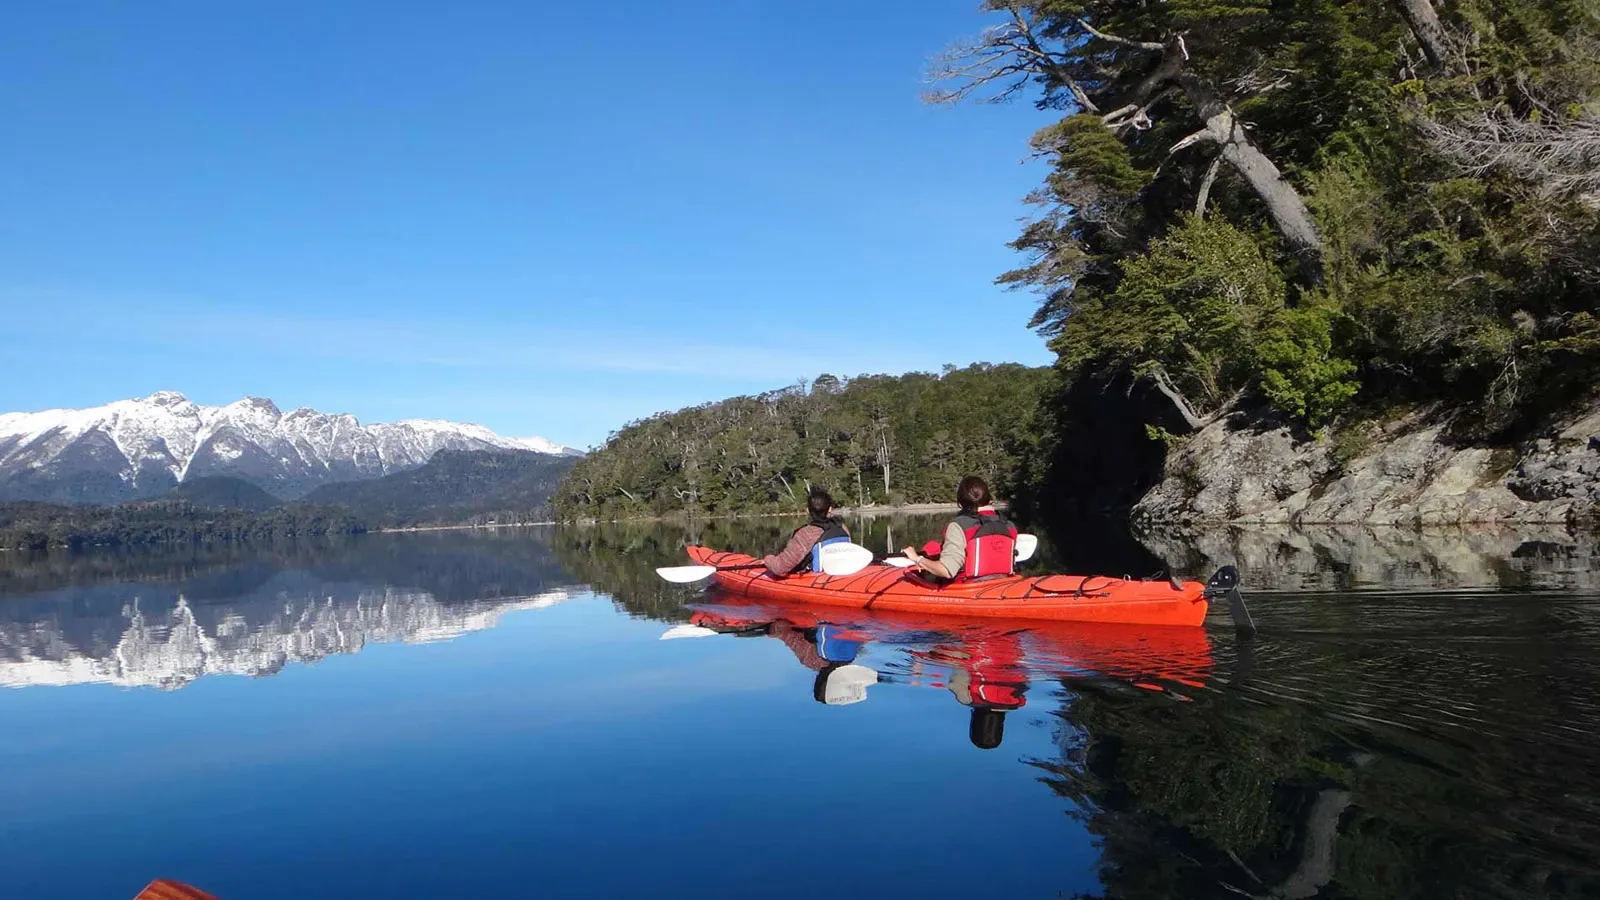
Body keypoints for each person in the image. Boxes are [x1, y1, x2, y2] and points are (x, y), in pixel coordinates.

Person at [901, 475, 1018, 582]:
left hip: (968, 589)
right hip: (1002, 585)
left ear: (961, 504)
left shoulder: (958, 526)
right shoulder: (1009, 526)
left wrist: (916, 558)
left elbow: (947, 570)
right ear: (989, 499)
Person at [761, 488, 851, 577]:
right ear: (830, 509)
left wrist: (768, 559)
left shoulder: (806, 534)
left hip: (816, 580)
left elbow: (779, 568)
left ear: (808, 510)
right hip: (839, 576)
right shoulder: (842, 527)